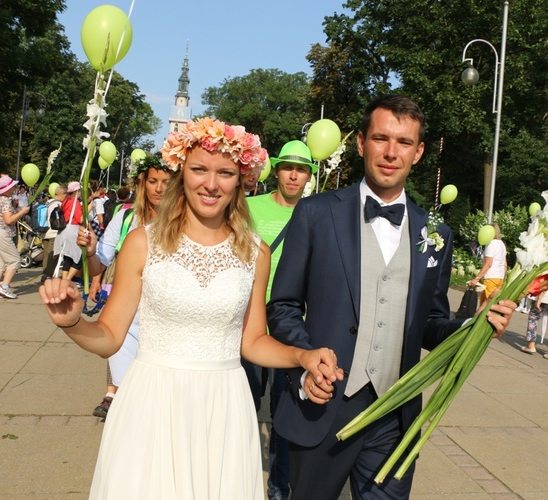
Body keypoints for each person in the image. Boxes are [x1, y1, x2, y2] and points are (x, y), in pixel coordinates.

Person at [39, 116, 342, 498]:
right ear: (182, 172)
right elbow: (111, 336)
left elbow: (253, 342)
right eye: (199, 169)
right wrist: (73, 322)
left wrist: (302, 356)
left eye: (225, 173)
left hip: (225, 407)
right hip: (153, 402)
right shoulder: (141, 242)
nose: (211, 184)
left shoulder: (255, 252)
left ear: (242, 178)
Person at [266, 95, 515, 499]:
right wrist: (303, 366)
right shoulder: (315, 212)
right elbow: (283, 306)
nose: (390, 152)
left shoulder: (436, 233)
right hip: (323, 404)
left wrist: (474, 329)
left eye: (403, 142)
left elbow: (430, 323)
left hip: (393, 417)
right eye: (381, 138)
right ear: (362, 143)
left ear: (417, 153)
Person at [244, 140, 317, 500]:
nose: (293, 175)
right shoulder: (249, 206)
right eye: (287, 167)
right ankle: (236, 478)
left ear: (309, 176)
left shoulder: (318, 212)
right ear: (276, 169)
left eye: (301, 169)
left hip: (291, 326)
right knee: (244, 404)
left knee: (283, 414)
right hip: (248, 320)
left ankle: (279, 489)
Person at [79, 155, 171, 420]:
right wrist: (91, 252)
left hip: (165, 323)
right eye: (152, 181)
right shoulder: (125, 217)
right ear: (142, 183)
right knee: (127, 395)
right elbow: (99, 266)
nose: (159, 188)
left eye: (166, 181)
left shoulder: (186, 222)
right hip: (128, 321)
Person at [0, 175, 30, 299]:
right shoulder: (5, 200)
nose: (14, 188)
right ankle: (4, 287)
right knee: (14, 261)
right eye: (12, 186)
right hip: (1, 233)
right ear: (7, 189)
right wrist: (22, 212)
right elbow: (8, 220)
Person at [468, 222, 507, 308]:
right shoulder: (501, 244)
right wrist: (502, 277)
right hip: (499, 277)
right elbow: (505, 264)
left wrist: (477, 278)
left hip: (491, 277)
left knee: (487, 306)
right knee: (486, 302)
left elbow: (488, 263)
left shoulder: (491, 244)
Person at [54, 182, 84, 280]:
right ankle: (67, 279)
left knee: (68, 258)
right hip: (72, 231)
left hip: (64, 230)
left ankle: (64, 279)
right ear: (76, 191)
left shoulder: (66, 201)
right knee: (78, 257)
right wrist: (89, 209)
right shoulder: (75, 202)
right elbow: (80, 219)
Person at [40, 185, 67, 282]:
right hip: (53, 232)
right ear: (61, 194)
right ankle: (48, 275)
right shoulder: (57, 205)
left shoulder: (48, 203)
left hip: (45, 232)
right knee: (53, 255)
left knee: (47, 255)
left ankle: (45, 274)